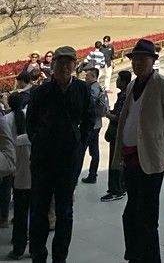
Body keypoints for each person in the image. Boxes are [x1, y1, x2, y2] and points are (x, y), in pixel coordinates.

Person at [112, 38, 164, 263]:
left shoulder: (163, 84)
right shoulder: (133, 85)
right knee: (131, 212)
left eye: (144, 59)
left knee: (148, 216)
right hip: (131, 156)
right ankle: (134, 254)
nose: (139, 63)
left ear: (153, 60)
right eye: (136, 59)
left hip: (151, 158)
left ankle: (150, 258)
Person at [26, 45, 94, 263]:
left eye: (69, 63)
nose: (64, 67)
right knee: (39, 210)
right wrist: (39, 141)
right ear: (52, 65)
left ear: (74, 65)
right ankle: (38, 255)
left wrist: (78, 145)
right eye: (60, 62)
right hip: (43, 160)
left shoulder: (82, 90)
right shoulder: (41, 92)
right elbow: (31, 124)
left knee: (65, 212)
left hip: (68, 161)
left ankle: (60, 257)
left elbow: (88, 121)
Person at [4, 89, 29, 259]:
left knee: (19, 214)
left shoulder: (6, 119)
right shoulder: (29, 116)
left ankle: (18, 247)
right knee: (36, 212)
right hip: (35, 176)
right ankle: (34, 246)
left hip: (17, 173)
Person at [101, 69, 132, 202]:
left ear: (124, 82)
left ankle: (116, 190)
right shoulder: (124, 95)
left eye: (119, 79)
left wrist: (108, 114)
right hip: (119, 133)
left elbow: (120, 117)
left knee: (115, 161)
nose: (117, 81)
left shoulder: (125, 96)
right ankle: (121, 186)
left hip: (118, 133)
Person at [81, 65, 110, 184]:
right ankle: (93, 174)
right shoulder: (99, 87)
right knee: (94, 150)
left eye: (87, 75)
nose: (85, 77)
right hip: (97, 123)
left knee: (81, 150)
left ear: (93, 76)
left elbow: (89, 105)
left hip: (90, 124)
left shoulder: (93, 89)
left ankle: (88, 174)